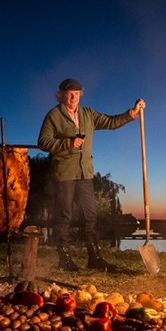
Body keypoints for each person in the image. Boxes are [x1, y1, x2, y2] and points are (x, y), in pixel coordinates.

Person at [37, 78, 145, 272]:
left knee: (91, 216)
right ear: (61, 95)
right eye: (69, 94)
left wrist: (132, 113)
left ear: (81, 95)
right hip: (64, 173)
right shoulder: (53, 115)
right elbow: (43, 142)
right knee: (64, 217)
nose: (73, 98)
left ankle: (94, 258)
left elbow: (111, 122)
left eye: (76, 94)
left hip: (85, 173)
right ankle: (65, 260)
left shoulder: (87, 114)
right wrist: (67, 143)